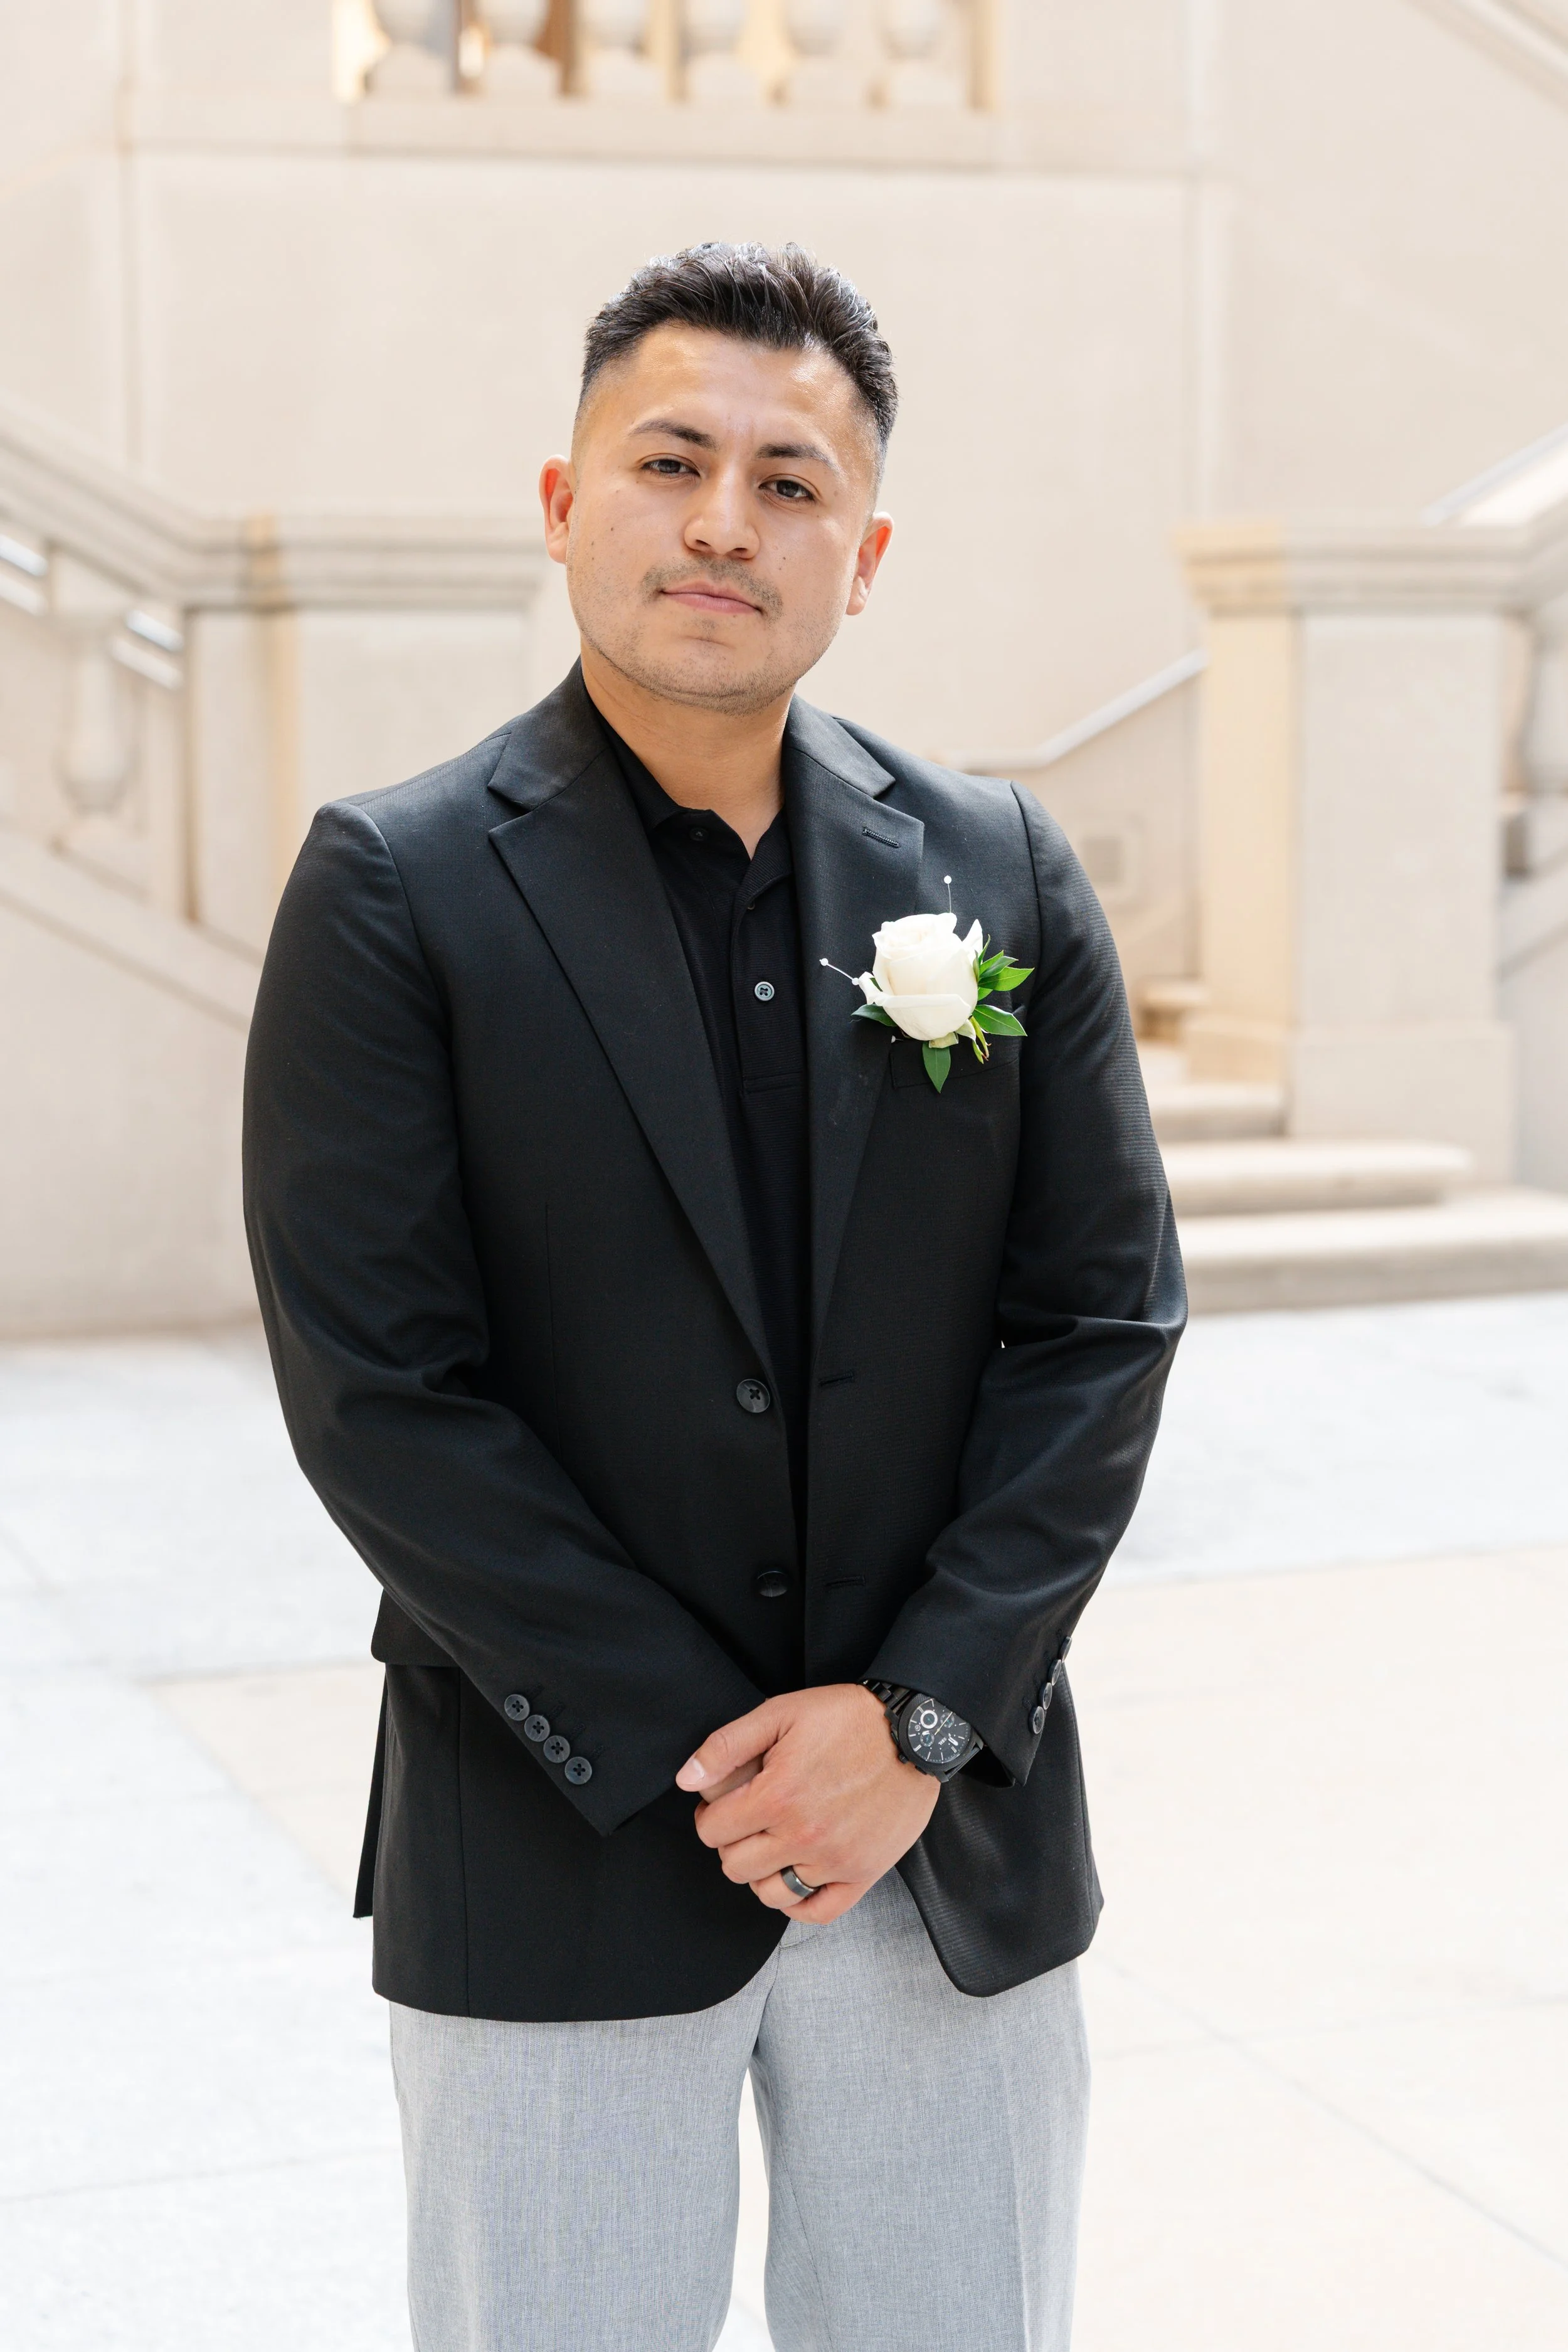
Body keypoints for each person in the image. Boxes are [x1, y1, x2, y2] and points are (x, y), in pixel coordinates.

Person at [243, 240, 1184, 2352]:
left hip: (941, 1839)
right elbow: (382, 1389)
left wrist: (918, 1718)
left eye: (785, 481)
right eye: (669, 460)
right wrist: (729, 1758)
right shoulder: (391, 889)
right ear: (567, 501)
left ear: (861, 549)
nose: (720, 521)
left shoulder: (999, 870)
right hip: (560, 1828)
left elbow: (1099, 1326)